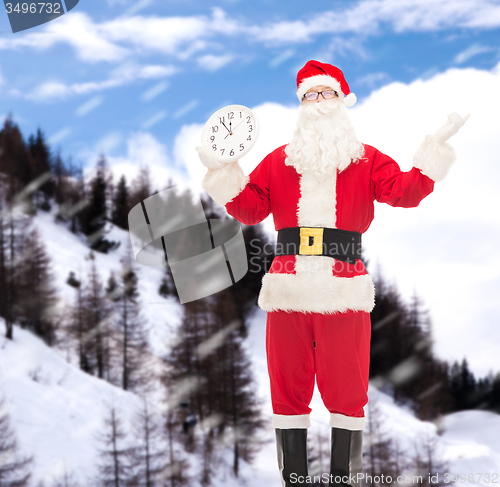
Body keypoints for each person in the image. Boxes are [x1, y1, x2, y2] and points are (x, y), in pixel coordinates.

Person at [196, 60, 468, 487]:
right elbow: (248, 208)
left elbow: (406, 192)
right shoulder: (278, 162)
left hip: (343, 291)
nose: (317, 103)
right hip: (288, 289)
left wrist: (432, 151)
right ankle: (296, 480)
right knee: (287, 390)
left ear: (341, 100)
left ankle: (344, 481)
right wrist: (221, 169)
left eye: (325, 94)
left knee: (348, 392)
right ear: (301, 105)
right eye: (309, 96)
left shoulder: (368, 160)